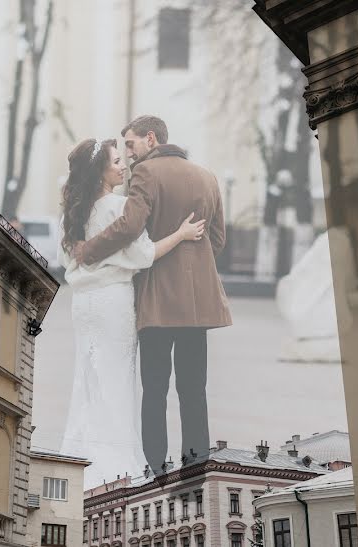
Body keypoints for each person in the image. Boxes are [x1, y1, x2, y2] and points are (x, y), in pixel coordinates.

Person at [74, 116, 232, 474]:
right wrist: (192, 265)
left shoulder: (145, 174)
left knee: (155, 391)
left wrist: (88, 251)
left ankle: (155, 472)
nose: (128, 154)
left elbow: (130, 226)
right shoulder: (207, 177)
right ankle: (195, 470)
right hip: (197, 307)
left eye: (130, 144)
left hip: (157, 303)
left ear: (150, 139)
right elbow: (217, 240)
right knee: (194, 391)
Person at [58, 137, 205, 487]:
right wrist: (182, 234)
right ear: (100, 173)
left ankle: (78, 461)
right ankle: (115, 467)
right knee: (117, 383)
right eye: (116, 162)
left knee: (87, 379)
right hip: (112, 300)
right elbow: (144, 255)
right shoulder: (118, 207)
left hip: (83, 304)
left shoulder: (72, 215)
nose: (124, 166)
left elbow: (68, 259)